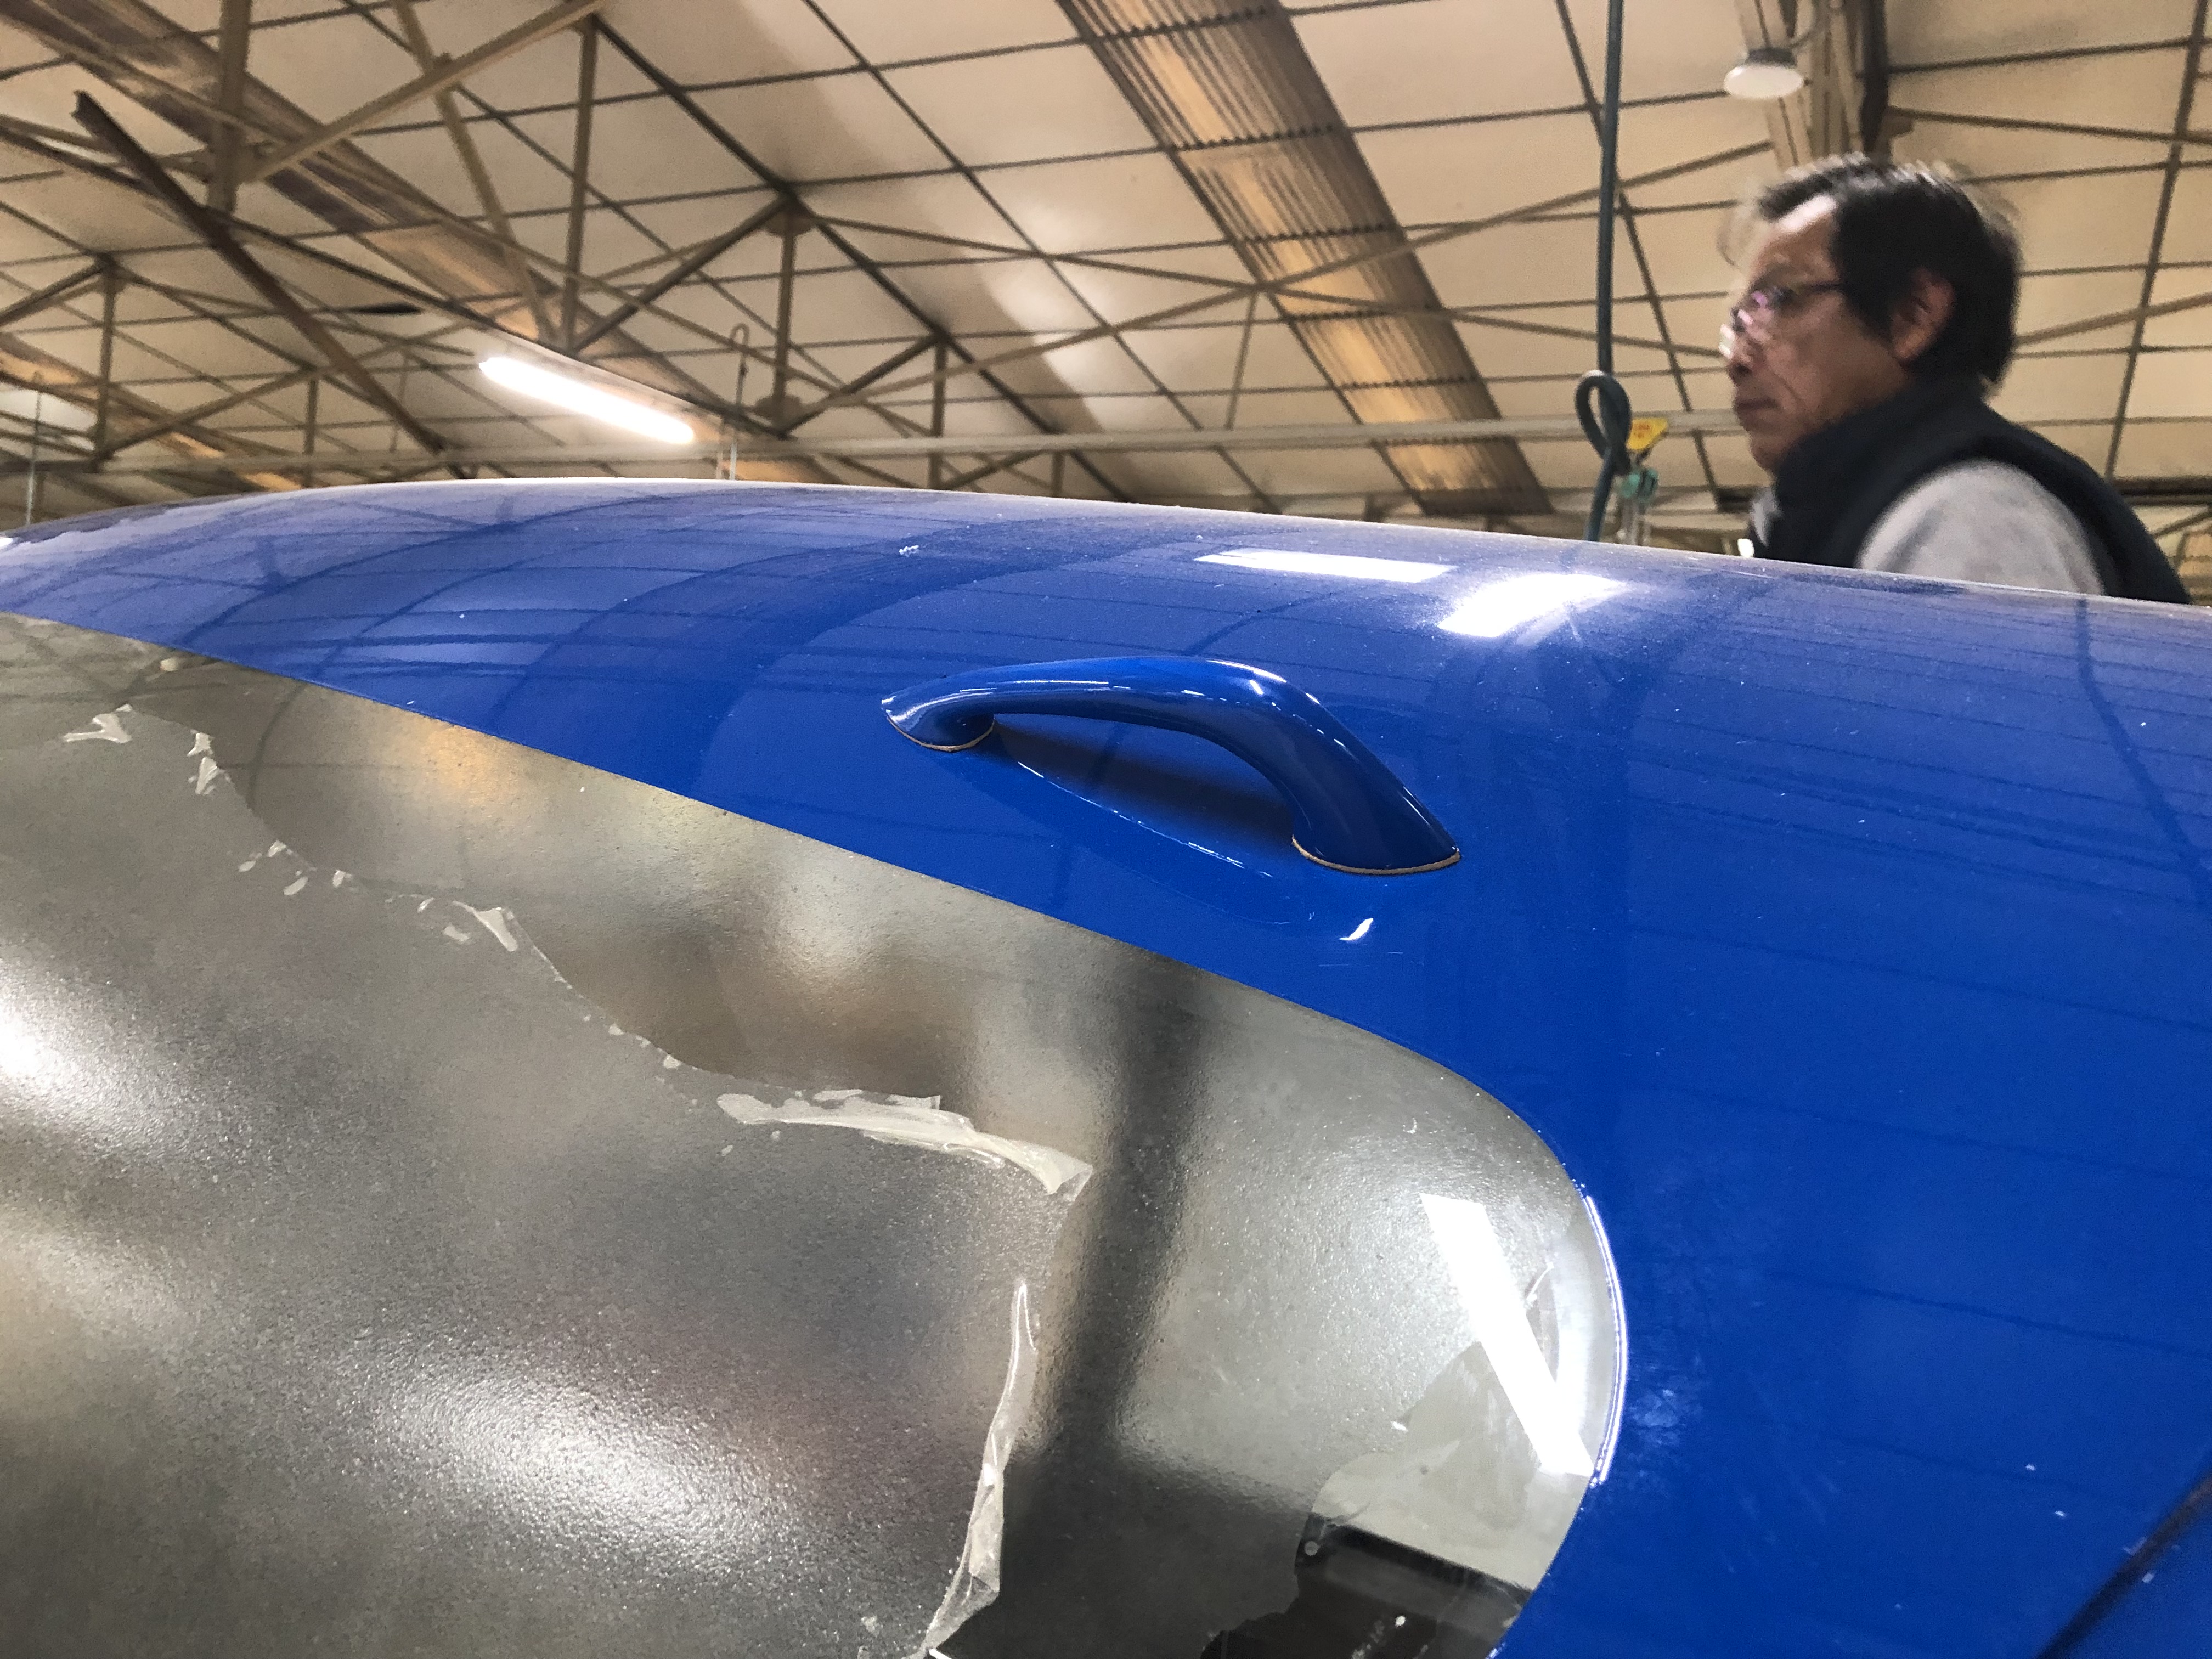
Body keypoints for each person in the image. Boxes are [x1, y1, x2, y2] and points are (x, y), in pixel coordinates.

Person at [1722, 155, 2187, 602]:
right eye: (1740, 320)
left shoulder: (1971, 518)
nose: (1736, 359)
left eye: (1779, 299)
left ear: (1913, 315)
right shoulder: (1849, 515)